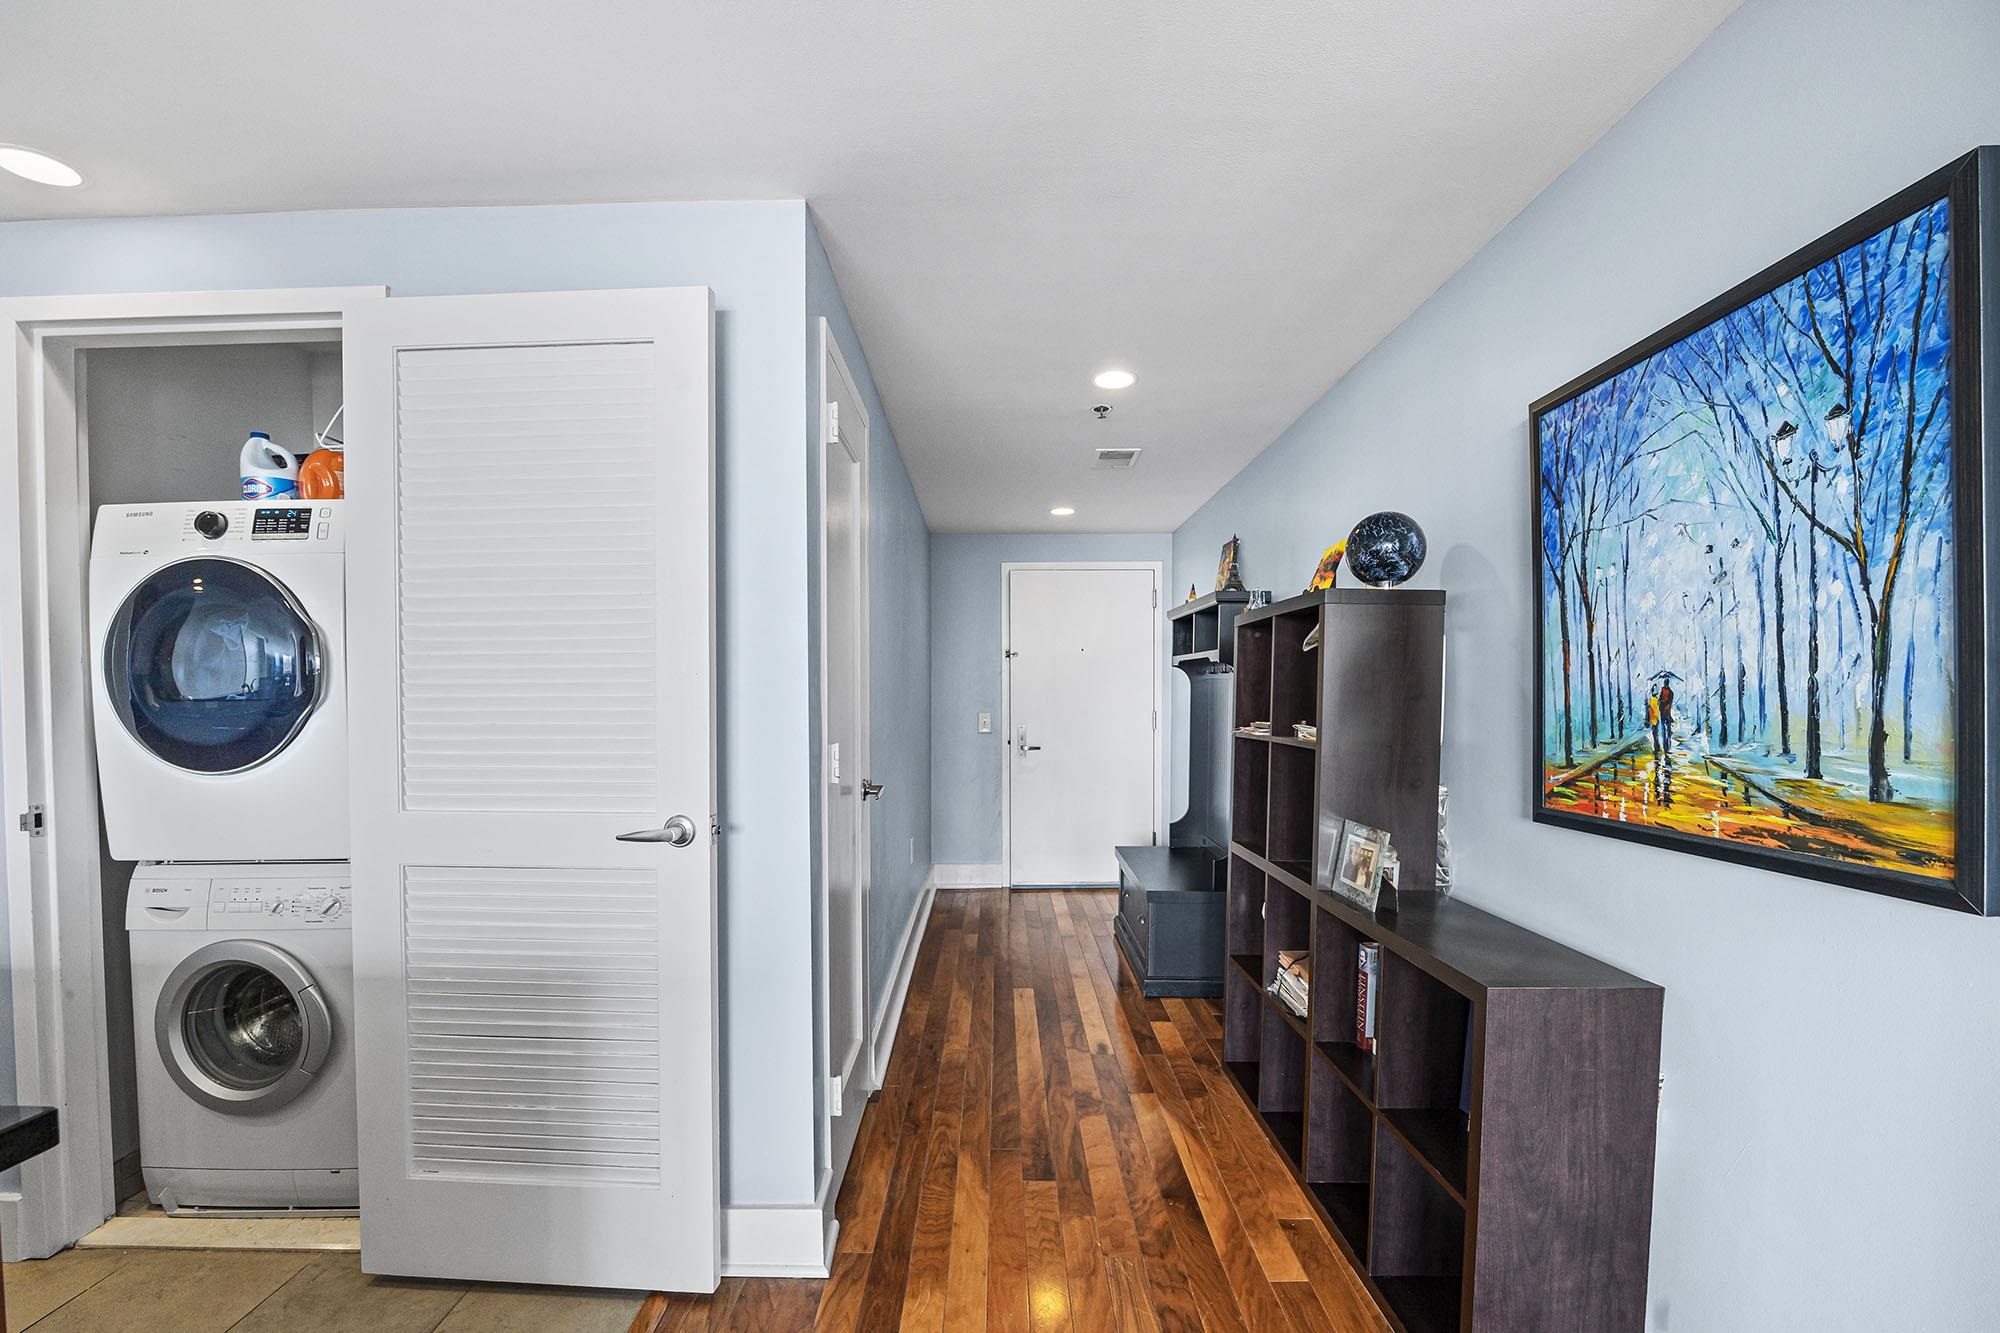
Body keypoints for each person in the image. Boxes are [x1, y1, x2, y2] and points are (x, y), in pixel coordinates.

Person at [1657, 679, 1675, 755]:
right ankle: (1666, 747)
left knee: (1666, 730)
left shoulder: (1669, 692)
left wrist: (1662, 703)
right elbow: (1665, 701)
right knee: (1666, 730)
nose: (1665, 684)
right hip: (1665, 713)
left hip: (1665, 713)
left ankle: (1666, 746)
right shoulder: (1669, 692)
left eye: (1665, 683)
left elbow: (1668, 703)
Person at [1645, 689, 1661, 754]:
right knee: (1656, 733)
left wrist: (1647, 719)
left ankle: (1656, 747)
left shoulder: (1651, 700)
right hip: (1657, 718)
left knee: (1654, 733)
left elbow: (1649, 710)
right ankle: (1657, 746)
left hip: (1653, 718)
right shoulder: (1658, 700)